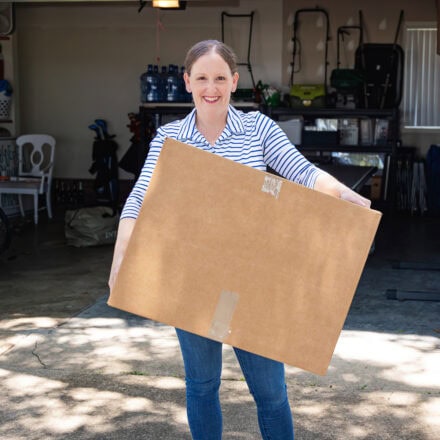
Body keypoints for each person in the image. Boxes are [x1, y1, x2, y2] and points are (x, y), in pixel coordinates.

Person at [109, 40, 371, 440]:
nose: (210, 87)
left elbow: (301, 172)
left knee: (270, 393)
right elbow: (140, 200)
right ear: (187, 82)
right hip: (193, 278)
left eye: (219, 78)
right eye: (201, 78)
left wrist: (349, 196)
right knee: (201, 387)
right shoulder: (169, 139)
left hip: (252, 281)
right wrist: (119, 263)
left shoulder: (257, 128)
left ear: (234, 81)